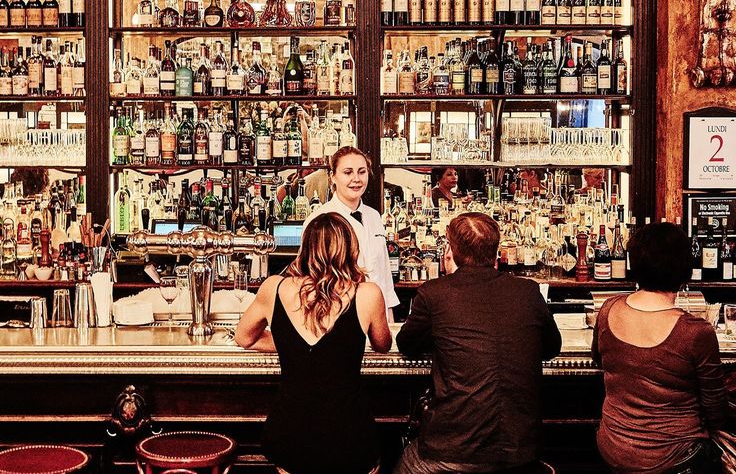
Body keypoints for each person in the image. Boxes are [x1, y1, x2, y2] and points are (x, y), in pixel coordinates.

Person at [395, 212, 562, 474]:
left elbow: (407, 345)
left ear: (451, 250)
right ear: (496, 252)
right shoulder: (528, 291)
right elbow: (553, 348)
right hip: (521, 448)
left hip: (452, 449)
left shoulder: (434, 293)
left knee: (405, 463)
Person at [235, 212, 392, 474]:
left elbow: (244, 337)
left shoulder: (274, 287)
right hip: (350, 441)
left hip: (291, 439)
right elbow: (382, 345)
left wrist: (290, 343)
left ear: (305, 248)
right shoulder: (368, 293)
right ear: (350, 248)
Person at [593, 221, 730, 473]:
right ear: (684, 270)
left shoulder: (608, 310)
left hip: (613, 445)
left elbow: (597, 360)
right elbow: (716, 410)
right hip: (674, 456)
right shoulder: (696, 331)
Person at [305, 146, 400, 314]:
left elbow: (384, 274)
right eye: (348, 172)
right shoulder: (319, 220)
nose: (356, 179)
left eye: (362, 172)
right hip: (339, 314)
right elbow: (311, 280)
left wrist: (388, 315)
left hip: (378, 314)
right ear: (332, 176)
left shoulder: (374, 216)